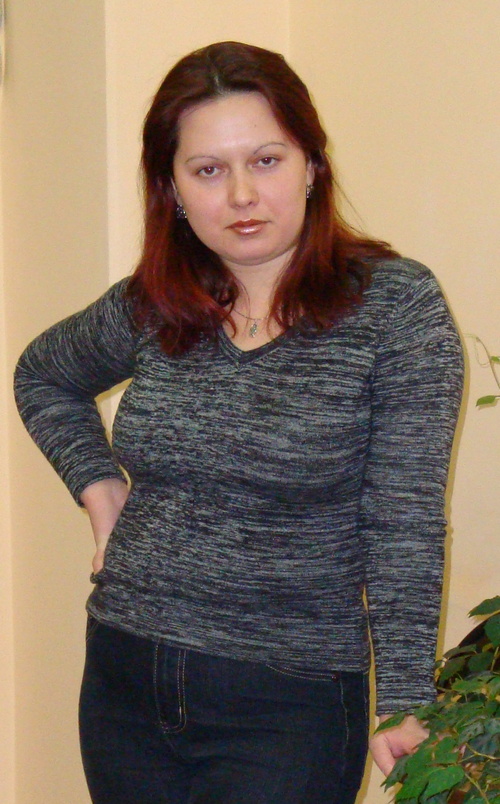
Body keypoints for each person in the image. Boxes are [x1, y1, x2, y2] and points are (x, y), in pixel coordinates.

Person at [14, 41, 464, 804]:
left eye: (266, 160)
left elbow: (403, 519)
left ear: (311, 164)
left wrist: (405, 696)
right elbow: (43, 374)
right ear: (172, 189)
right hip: (126, 677)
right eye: (208, 170)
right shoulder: (155, 302)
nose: (242, 195)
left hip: (290, 702)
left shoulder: (394, 309)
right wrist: (99, 491)